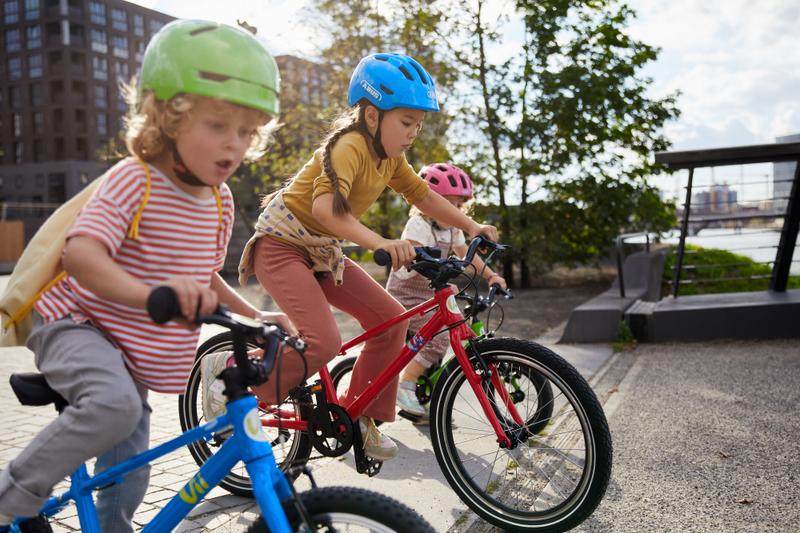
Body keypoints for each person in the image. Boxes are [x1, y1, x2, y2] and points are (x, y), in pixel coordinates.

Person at [0, 20, 290, 532]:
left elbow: (202, 277)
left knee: (131, 472)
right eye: (218, 125)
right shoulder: (138, 179)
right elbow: (81, 255)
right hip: (77, 325)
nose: (235, 144)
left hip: (129, 352)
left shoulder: (219, 201)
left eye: (247, 131)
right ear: (168, 117)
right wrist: (149, 293)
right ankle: (12, 494)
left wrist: (253, 312)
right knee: (113, 406)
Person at [224, 52, 499, 463]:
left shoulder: (390, 157)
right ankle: (238, 392)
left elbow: (422, 194)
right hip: (282, 245)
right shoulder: (349, 145)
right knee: (323, 340)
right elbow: (324, 210)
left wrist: (471, 226)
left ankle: (360, 417)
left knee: (392, 323)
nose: (412, 134)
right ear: (372, 116)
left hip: (322, 252)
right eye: (406, 123)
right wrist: (381, 242)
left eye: (418, 125)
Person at [386, 164, 507, 421]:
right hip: (406, 293)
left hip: (432, 291)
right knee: (440, 337)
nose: (452, 211)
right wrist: (418, 255)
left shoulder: (453, 229)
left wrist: (491, 275)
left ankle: (424, 393)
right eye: (446, 204)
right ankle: (405, 384)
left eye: (457, 206)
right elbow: (412, 253)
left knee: (451, 329)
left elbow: (468, 256)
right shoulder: (418, 224)